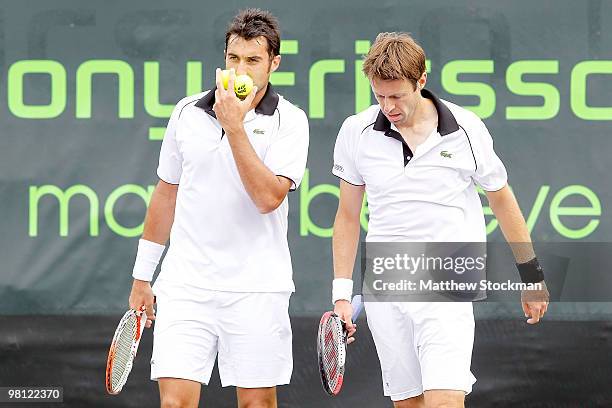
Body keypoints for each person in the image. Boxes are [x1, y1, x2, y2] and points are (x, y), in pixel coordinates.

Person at [330, 32, 549, 408]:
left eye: (397, 95)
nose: (388, 106)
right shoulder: (356, 131)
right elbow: (348, 216)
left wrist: (532, 276)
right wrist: (340, 295)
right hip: (387, 285)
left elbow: (502, 200)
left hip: (448, 281)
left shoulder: (466, 128)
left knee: (445, 402)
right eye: (379, 95)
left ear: (422, 80)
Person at [127, 9, 309, 408]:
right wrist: (143, 276)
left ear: (273, 64)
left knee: (256, 405)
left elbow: (267, 198)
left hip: (257, 288)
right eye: (233, 58)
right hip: (185, 284)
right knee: (175, 403)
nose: (240, 70)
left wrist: (235, 127)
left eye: (252, 61)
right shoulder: (186, 112)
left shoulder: (290, 121)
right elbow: (166, 192)